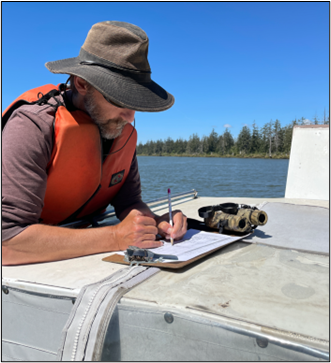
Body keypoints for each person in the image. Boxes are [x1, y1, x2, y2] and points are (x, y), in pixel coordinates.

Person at [2, 21, 187, 266]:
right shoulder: (31, 126)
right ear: (82, 84)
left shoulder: (119, 131)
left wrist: (155, 222)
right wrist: (114, 237)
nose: (130, 116)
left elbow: (128, 202)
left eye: (136, 103)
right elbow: (7, 242)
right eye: (121, 99)